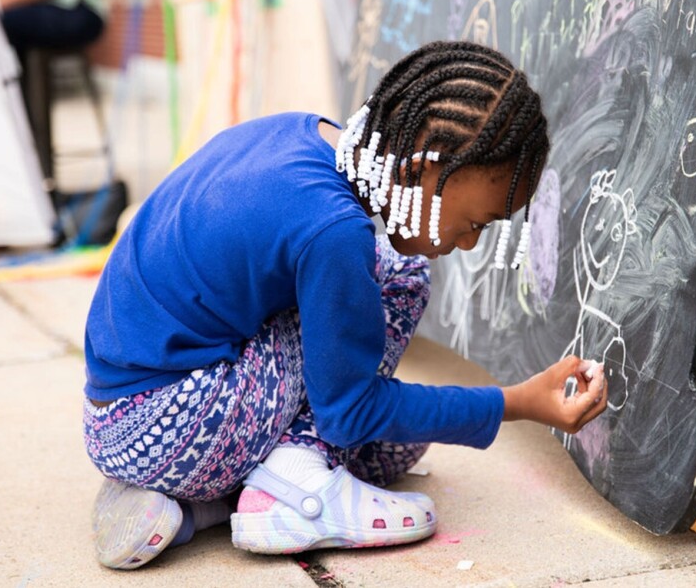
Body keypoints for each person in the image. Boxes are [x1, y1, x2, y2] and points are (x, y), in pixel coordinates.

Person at [83, 40, 609, 570]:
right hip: (168, 422)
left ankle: (194, 509)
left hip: (119, 421)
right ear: (424, 169)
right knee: (397, 282)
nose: (468, 243)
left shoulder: (304, 135)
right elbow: (349, 410)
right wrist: (514, 403)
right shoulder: (334, 232)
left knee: (396, 450)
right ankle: (293, 483)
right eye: (475, 223)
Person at [0, 0, 111, 181]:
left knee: (6, 26)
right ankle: (22, 145)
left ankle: (34, 154)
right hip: (22, 11)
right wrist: (2, 5)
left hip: (75, 7)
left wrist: (12, 2)